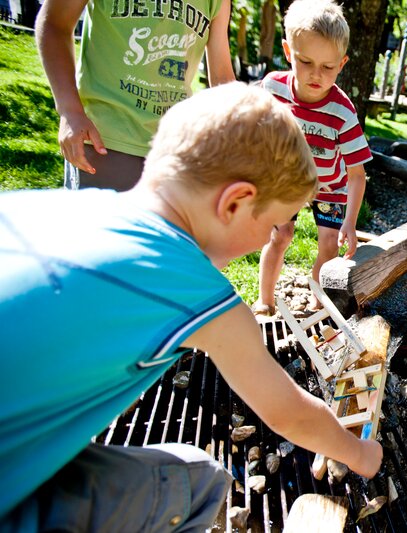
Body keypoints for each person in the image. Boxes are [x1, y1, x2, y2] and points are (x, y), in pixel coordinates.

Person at [0, 83, 383, 532]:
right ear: (236, 203)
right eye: (276, 222)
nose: (273, 237)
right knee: (199, 479)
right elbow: (289, 413)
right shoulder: (199, 294)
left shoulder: (55, 209)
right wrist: (360, 453)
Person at [36, 0, 237, 192]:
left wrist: (248, 129)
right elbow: (54, 23)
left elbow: (221, 76)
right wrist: (70, 111)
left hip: (174, 151)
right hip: (104, 143)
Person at [252, 0, 371, 316]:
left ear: (342, 64)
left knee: (329, 244)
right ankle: (265, 300)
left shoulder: (342, 112)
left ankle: (319, 303)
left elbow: (357, 174)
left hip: (330, 186)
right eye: (305, 62)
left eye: (328, 67)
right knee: (280, 235)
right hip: (288, 179)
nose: (316, 75)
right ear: (288, 52)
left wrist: (351, 221)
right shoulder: (272, 88)